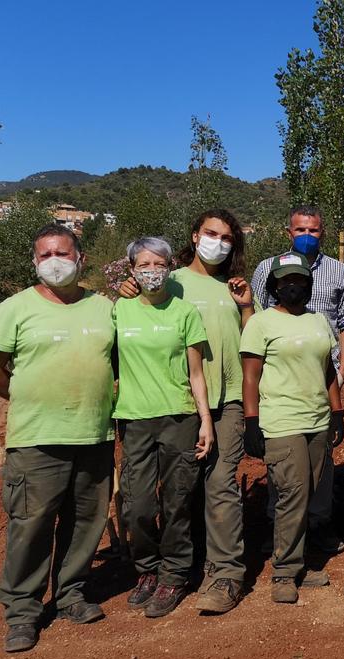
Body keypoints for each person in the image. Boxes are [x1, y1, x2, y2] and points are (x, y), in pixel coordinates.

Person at [0, 224, 116, 653]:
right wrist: (26, 398)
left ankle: (72, 594)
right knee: (31, 525)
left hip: (94, 435)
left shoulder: (104, 307)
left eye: (62, 253)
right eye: (44, 255)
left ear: (81, 259)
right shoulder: (15, 308)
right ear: (34, 262)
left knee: (87, 523)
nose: (54, 261)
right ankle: (23, 611)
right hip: (37, 438)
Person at [118, 210, 255, 614]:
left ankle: (225, 576)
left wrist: (246, 307)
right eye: (211, 233)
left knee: (220, 485)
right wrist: (128, 289)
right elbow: (142, 306)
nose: (218, 242)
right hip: (180, 402)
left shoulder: (235, 287)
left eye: (227, 237)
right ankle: (180, 565)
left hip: (226, 398)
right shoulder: (171, 281)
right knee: (179, 491)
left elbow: (252, 341)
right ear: (195, 237)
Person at [114, 236, 213, 619]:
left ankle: (174, 574)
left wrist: (205, 420)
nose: (151, 270)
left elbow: (196, 373)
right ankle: (147, 570)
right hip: (135, 420)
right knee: (137, 504)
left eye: (159, 263)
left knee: (177, 501)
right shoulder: (119, 311)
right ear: (132, 270)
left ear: (170, 267)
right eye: (144, 264)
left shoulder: (184, 312)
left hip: (179, 417)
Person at [240, 253, 344, 603]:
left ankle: (300, 562)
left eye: (299, 280)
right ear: (274, 285)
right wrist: (251, 421)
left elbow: (328, 371)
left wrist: (337, 411)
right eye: (285, 281)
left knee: (312, 492)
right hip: (281, 420)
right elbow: (251, 376)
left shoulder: (318, 321)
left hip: (317, 420)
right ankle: (284, 572)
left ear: (308, 284)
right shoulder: (261, 323)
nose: (293, 286)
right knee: (292, 494)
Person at [250, 206, 344, 555]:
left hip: (325, 378)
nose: (307, 235)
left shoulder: (338, 270)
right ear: (288, 232)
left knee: (320, 461)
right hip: (281, 382)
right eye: (300, 229)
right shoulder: (267, 268)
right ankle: (282, 531)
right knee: (284, 464)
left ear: (323, 232)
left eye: (314, 230)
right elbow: (258, 318)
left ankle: (319, 526)